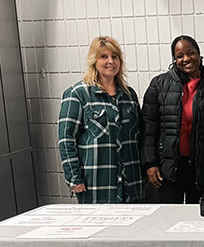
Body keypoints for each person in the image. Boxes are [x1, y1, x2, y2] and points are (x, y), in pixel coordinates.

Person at [141, 36, 204, 204]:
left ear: (199, 54)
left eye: (191, 53)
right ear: (174, 60)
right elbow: (148, 129)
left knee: (197, 219)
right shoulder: (158, 85)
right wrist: (149, 164)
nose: (186, 59)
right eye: (180, 55)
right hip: (166, 168)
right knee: (167, 219)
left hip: (200, 167)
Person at [58, 36, 144, 203]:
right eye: (104, 56)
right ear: (94, 61)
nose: (110, 61)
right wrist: (74, 177)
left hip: (131, 183)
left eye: (115, 56)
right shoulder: (77, 94)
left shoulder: (129, 95)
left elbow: (139, 136)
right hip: (97, 184)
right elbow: (66, 139)